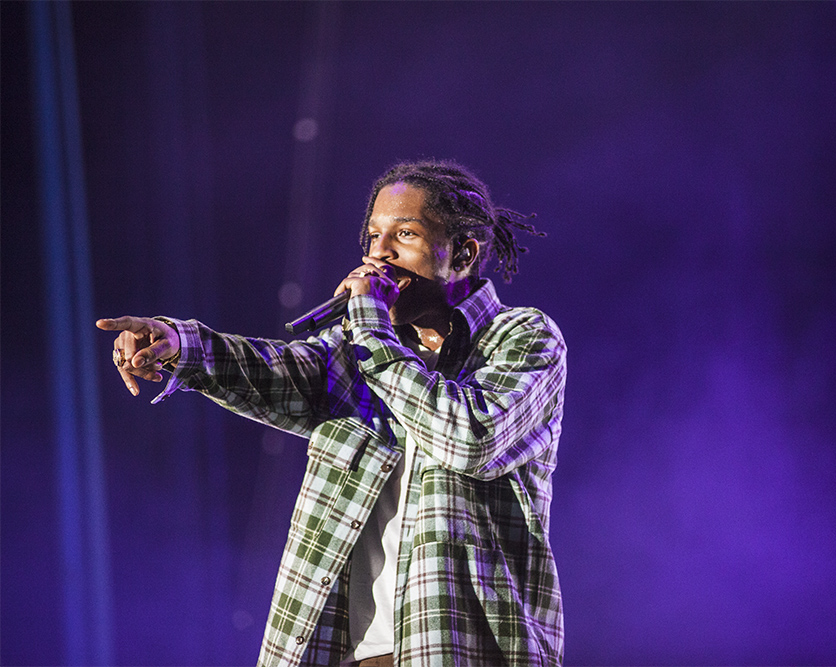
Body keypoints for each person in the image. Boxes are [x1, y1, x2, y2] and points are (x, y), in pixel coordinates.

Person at [97, 160, 567, 667]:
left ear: (464, 253)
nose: (379, 255)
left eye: (404, 234)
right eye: (372, 238)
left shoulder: (521, 337)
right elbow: (271, 370)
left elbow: (469, 438)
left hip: (456, 647)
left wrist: (370, 325)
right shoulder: (352, 348)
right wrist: (177, 343)